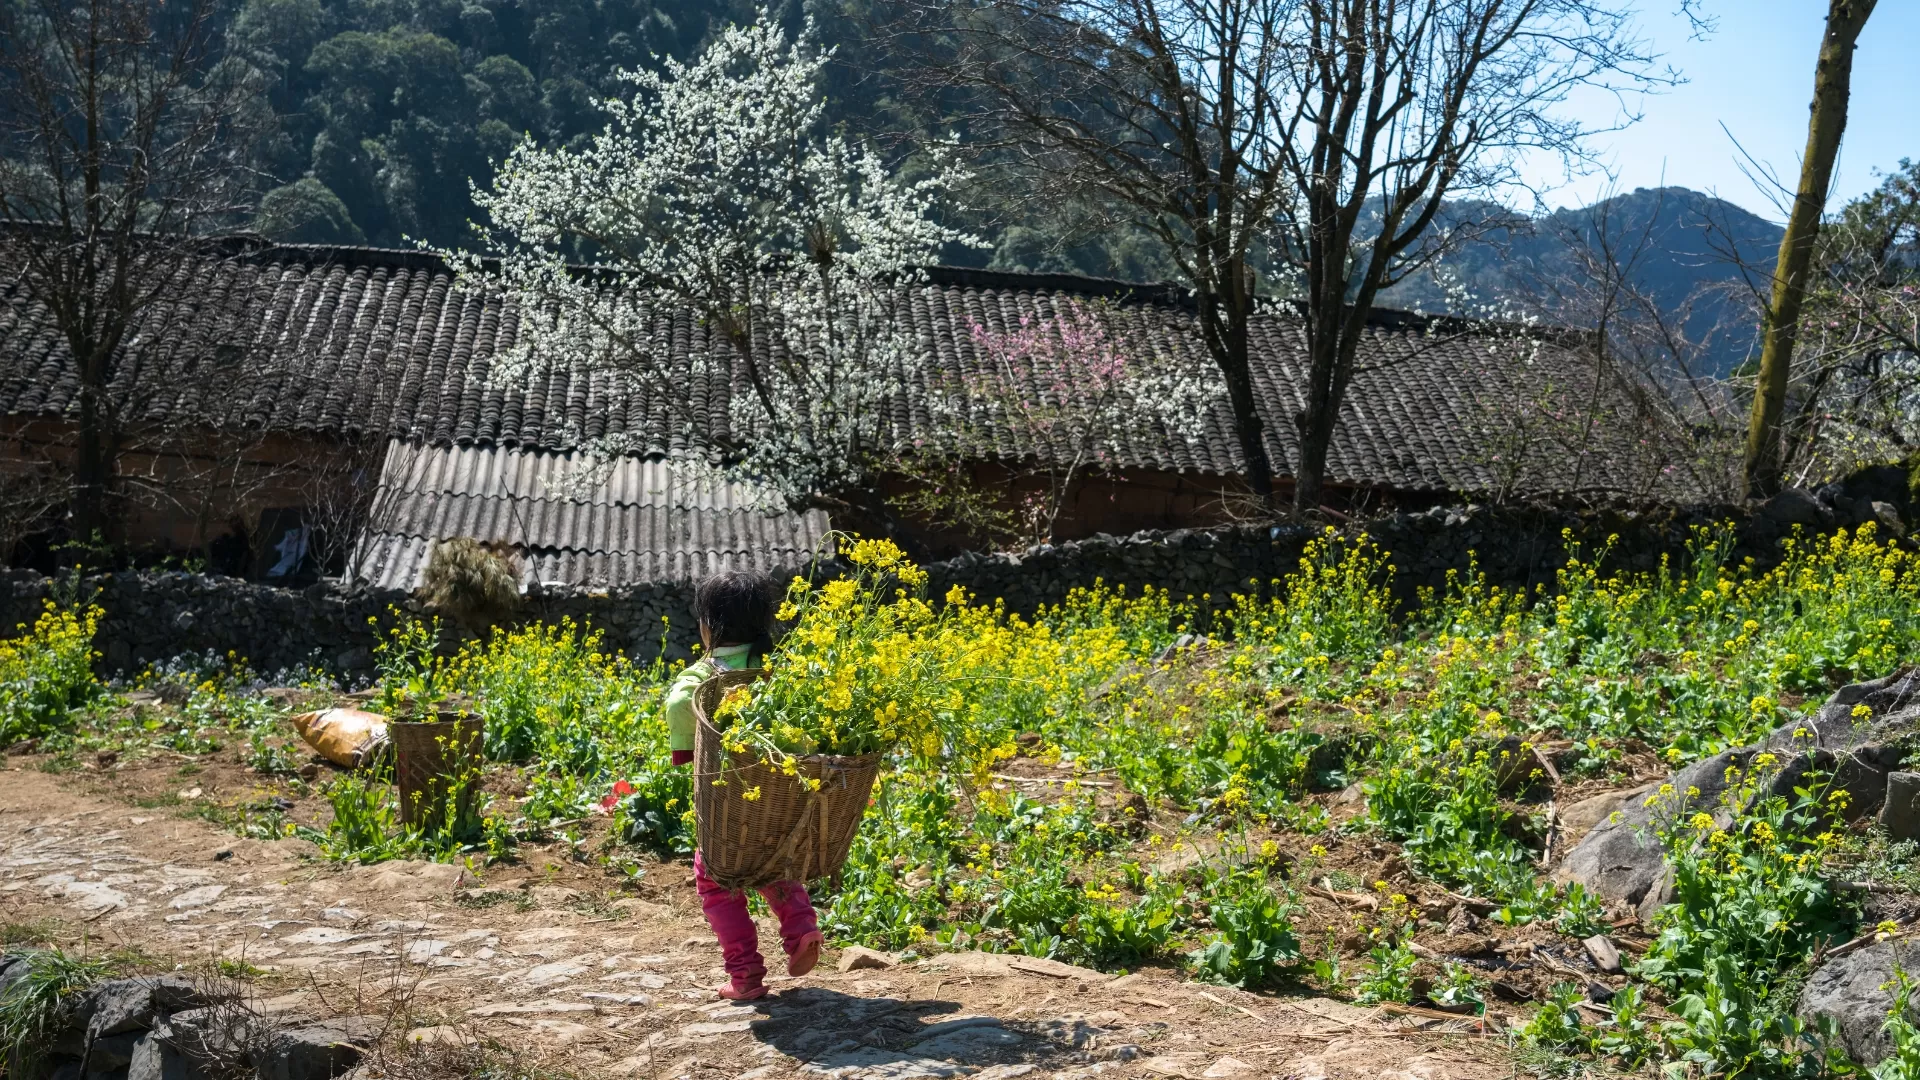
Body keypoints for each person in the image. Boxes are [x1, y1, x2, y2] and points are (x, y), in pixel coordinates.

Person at [665, 569, 823, 1001]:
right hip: (780, 803)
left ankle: (745, 974)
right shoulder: (781, 668)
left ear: (707, 626)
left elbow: (682, 707)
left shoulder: (701, 678)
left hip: (726, 809)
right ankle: (801, 928)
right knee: (775, 865)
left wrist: (689, 747)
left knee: (715, 880)